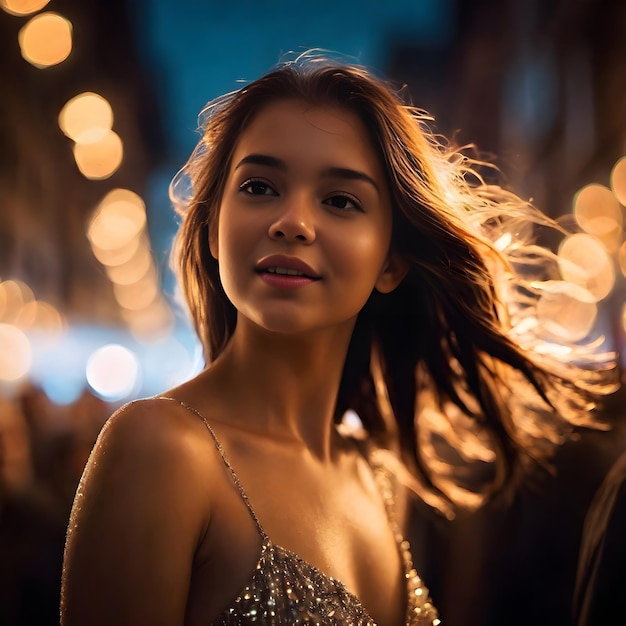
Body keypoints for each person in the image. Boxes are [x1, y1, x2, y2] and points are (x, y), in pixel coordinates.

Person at [60, 52, 616, 625]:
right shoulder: (159, 448)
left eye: (341, 200)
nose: (292, 221)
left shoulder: (378, 476)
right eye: (258, 186)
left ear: (391, 261)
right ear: (212, 230)